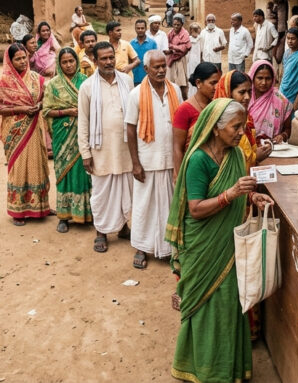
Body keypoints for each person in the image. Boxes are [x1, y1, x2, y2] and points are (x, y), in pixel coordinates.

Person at [166, 99, 273, 383]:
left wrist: (253, 196)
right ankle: (201, 369)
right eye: (235, 126)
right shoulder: (198, 160)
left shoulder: (237, 155)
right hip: (202, 244)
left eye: (242, 125)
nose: (241, 132)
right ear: (216, 129)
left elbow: (237, 188)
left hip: (228, 243)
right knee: (204, 305)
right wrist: (233, 194)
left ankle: (228, 368)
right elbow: (196, 209)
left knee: (227, 304)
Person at [125, 50, 181, 269]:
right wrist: (135, 163)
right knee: (144, 205)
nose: (160, 70)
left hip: (171, 159)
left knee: (170, 204)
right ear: (146, 69)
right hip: (147, 160)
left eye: (163, 66)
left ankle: (169, 248)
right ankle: (141, 246)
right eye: (155, 67)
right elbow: (130, 129)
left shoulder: (175, 90)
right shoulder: (136, 94)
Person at [78, 41, 135, 252]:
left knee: (126, 189)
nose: (109, 61)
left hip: (125, 148)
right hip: (100, 150)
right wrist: (85, 152)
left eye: (111, 57)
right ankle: (101, 231)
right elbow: (83, 121)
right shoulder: (86, 87)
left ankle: (123, 226)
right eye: (104, 58)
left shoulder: (127, 82)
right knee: (102, 193)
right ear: (95, 60)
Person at [0, 43, 52, 226]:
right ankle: (18, 211)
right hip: (16, 131)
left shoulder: (36, 78)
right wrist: (22, 109)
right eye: (18, 59)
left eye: (24, 57)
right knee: (19, 168)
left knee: (38, 165)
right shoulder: (4, 81)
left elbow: (44, 99)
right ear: (10, 61)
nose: (22, 61)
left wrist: (38, 106)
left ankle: (42, 206)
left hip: (34, 128)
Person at [42, 47, 93, 233]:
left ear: (76, 61)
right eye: (64, 62)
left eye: (71, 61)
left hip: (83, 135)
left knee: (84, 172)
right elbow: (46, 110)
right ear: (59, 64)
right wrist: (67, 112)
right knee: (63, 172)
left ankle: (86, 213)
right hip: (62, 135)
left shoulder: (86, 81)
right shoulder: (53, 85)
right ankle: (64, 216)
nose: (69, 65)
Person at [215, 70, 271, 169]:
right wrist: (255, 157)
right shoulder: (220, 121)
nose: (247, 97)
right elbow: (223, 158)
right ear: (229, 92)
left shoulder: (247, 118)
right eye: (242, 92)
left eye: (249, 92)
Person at [173, 63, 222, 173]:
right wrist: (179, 176)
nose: (216, 87)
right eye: (213, 83)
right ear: (198, 83)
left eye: (218, 82)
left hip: (216, 168)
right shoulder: (184, 110)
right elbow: (177, 147)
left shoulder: (217, 106)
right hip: (193, 170)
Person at [247, 60, 293, 142]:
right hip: (247, 148)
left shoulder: (281, 100)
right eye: (260, 78)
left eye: (268, 78)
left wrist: (283, 136)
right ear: (252, 77)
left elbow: (288, 128)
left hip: (272, 147)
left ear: (273, 79)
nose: (264, 82)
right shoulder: (246, 98)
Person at [279, 27, 298, 111]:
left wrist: (297, 101)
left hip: (295, 94)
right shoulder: (286, 53)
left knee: (293, 119)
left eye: (293, 39)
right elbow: (284, 73)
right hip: (283, 91)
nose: (290, 41)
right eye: (288, 38)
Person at [167, 14, 192, 100]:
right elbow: (167, 44)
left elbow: (186, 48)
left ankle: (184, 100)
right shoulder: (170, 33)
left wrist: (173, 47)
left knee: (182, 82)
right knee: (171, 81)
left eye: (178, 25)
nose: (176, 26)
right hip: (171, 59)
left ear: (182, 24)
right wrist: (175, 48)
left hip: (180, 60)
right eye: (174, 24)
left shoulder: (185, 34)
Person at [129, 19, 158, 85]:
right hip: (135, 78)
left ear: (146, 29)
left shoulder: (152, 43)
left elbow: (155, 60)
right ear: (135, 29)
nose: (140, 30)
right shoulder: (131, 43)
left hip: (149, 78)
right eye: (138, 28)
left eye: (142, 28)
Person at [186, 23, 203, 99]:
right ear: (190, 30)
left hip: (198, 60)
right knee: (191, 75)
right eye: (193, 29)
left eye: (196, 29)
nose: (195, 31)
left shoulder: (201, 38)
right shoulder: (188, 39)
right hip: (190, 60)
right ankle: (191, 95)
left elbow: (202, 50)